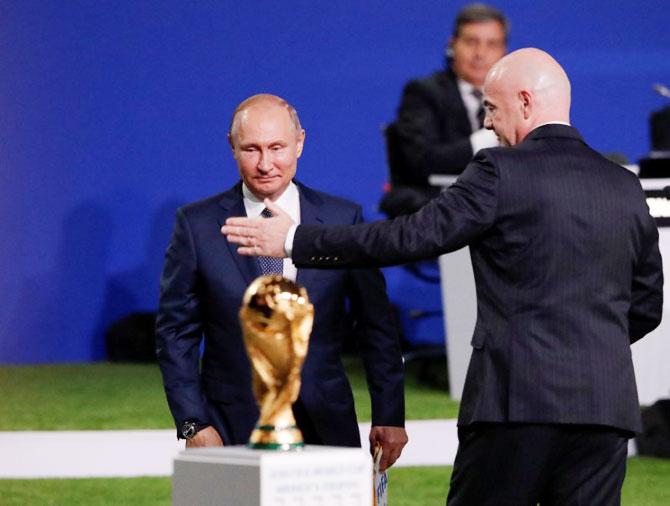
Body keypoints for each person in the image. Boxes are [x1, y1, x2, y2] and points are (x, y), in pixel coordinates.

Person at [222, 50, 664, 504]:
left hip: (515, 405)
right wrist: (588, 346)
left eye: (491, 109)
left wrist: (295, 240)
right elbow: (647, 305)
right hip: (606, 410)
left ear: (526, 103)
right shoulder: (624, 185)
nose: (488, 125)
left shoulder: (499, 170)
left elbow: (409, 237)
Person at [156, 94, 407, 471]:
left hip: (326, 421)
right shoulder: (197, 226)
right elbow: (176, 332)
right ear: (231, 147)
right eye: (251, 149)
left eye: (277, 148)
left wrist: (390, 414)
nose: (265, 164)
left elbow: (377, 325)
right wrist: (193, 423)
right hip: (230, 423)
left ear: (300, 143)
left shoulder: (343, 220)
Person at [381, 3, 508, 217]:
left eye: (491, 44)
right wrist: (480, 142)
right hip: (432, 210)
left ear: (504, 51)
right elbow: (420, 160)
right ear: (452, 45)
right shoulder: (423, 93)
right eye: (471, 42)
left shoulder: (513, 98)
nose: (480, 53)